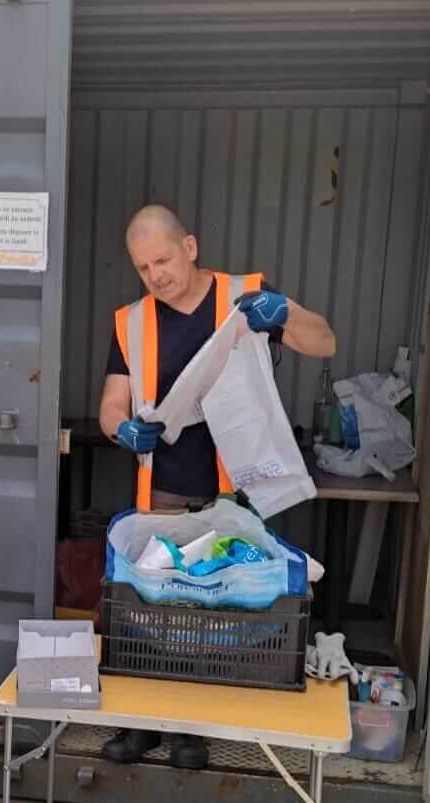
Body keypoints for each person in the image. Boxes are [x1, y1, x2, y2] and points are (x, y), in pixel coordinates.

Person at [97, 205, 336, 770]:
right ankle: (142, 724)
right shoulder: (131, 321)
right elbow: (111, 403)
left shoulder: (247, 296)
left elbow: (323, 340)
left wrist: (284, 314)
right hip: (163, 491)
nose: (156, 275)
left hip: (235, 492)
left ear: (191, 246)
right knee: (157, 608)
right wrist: (122, 430)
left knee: (221, 611)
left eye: (163, 259)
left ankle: (193, 729)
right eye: (143, 267)